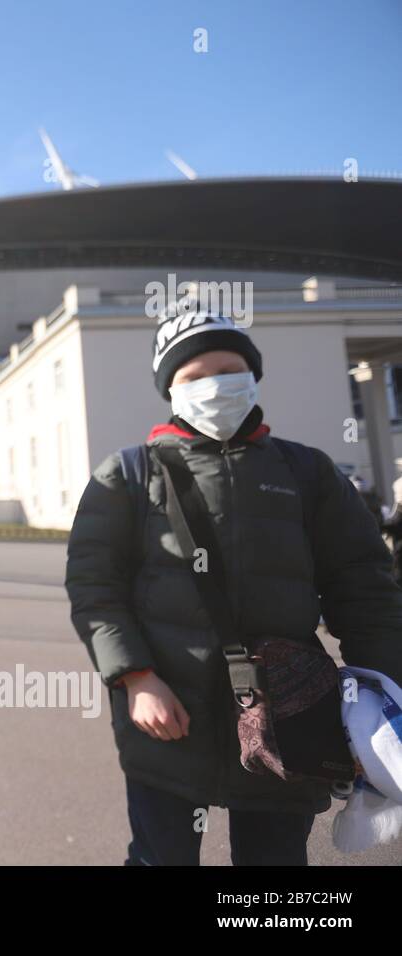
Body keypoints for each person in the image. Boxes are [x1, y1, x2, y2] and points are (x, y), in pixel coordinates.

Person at [65, 309, 402, 866]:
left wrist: (384, 697)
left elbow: (364, 590)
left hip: (289, 716)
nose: (216, 385)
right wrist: (136, 675)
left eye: (229, 368)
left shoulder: (308, 473)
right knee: (160, 857)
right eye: (194, 376)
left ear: (253, 376)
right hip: (167, 714)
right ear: (169, 390)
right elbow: (95, 588)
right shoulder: (126, 475)